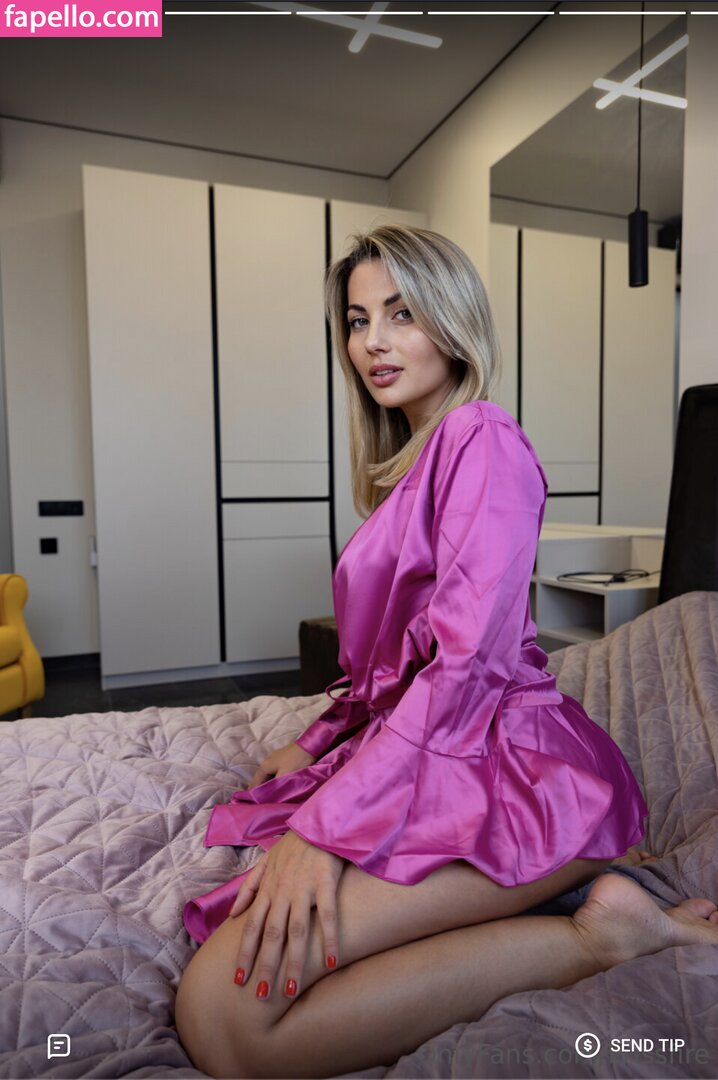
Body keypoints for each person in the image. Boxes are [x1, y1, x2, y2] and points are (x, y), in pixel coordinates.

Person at [175, 225, 718, 1079]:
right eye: (358, 320)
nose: (373, 342)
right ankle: (587, 915)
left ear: (453, 321)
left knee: (223, 1019)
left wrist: (328, 828)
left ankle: (598, 940)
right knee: (228, 1008)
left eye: (402, 313)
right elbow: (391, 672)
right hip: (457, 759)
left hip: (532, 781)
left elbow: (467, 663)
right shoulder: (419, 461)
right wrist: (315, 745)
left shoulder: (482, 438)